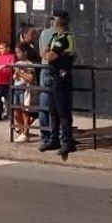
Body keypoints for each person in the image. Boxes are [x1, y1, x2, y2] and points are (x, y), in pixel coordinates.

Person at [39, 11, 77, 158]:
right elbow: (44, 52)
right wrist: (48, 54)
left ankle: (68, 142)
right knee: (53, 111)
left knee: (63, 112)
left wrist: (49, 54)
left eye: (54, 20)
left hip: (62, 78)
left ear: (59, 22)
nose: (52, 23)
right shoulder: (56, 37)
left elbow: (50, 55)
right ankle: (54, 139)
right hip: (54, 77)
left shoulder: (66, 38)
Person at [12, 26, 42, 142]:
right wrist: (16, 74)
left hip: (27, 87)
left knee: (28, 111)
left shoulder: (29, 59)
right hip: (19, 86)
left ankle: (25, 131)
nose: (34, 36)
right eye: (32, 34)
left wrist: (21, 73)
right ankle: (23, 130)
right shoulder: (20, 55)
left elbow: (30, 75)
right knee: (17, 111)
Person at [0, 40, 16, 121]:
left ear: (7, 48)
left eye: (2, 48)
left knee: (8, 99)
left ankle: (9, 115)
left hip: (8, 82)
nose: (1, 50)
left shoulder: (11, 56)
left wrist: (4, 66)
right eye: (0, 48)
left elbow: (12, 64)